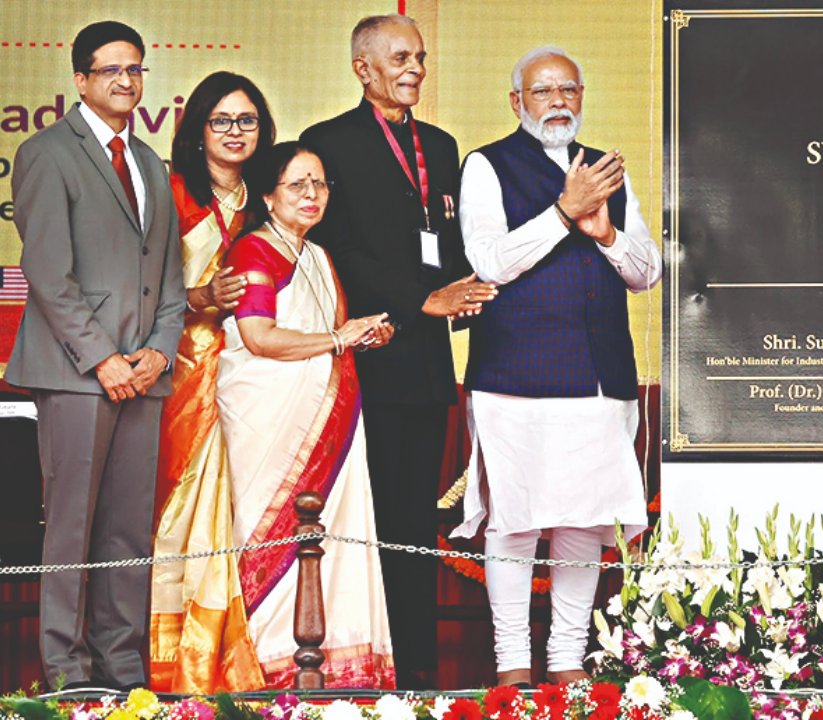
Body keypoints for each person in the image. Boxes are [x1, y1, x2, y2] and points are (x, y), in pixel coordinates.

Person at [453, 46, 662, 687]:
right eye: (543, 91)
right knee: (515, 522)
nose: (558, 102)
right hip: (514, 377)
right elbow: (489, 261)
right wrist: (563, 213)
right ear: (517, 102)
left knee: (584, 520)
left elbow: (647, 272)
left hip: (600, 377)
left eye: (569, 89)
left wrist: (605, 233)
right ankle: (512, 665)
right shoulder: (486, 164)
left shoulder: (605, 170)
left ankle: (568, 659)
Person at [300, 14, 497, 687]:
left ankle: (418, 672)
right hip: (368, 360)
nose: (415, 69)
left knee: (416, 525)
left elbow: (449, 242)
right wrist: (423, 301)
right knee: (370, 522)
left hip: (431, 367)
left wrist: (466, 290)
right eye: (400, 58)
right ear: (363, 68)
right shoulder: (328, 143)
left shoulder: (440, 145)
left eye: (420, 57)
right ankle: (368, 670)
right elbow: (339, 252)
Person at [6, 21, 185, 691]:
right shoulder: (47, 152)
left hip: (143, 375)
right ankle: (67, 674)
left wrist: (158, 353)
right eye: (111, 70)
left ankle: (124, 671)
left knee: (128, 532)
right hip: (77, 375)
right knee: (71, 529)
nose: (125, 81)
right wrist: (102, 359)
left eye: (135, 69)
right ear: (80, 80)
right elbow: (48, 274)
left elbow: (170, 278)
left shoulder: (150, 163)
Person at [218, 141, 395, 689]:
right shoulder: (253, 252)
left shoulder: (318, 256)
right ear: (268, 196)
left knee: (331, 542)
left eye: (319, 184)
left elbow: (331, 336)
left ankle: (333, 673)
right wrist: (338, 339)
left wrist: (363, 336)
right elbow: (258, 338)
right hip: (268, 423)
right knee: (271, 533)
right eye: (297, 184)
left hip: (328, 421)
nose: (311, 194)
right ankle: (267, 670)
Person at [148, 71, 276, 694]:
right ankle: (175, 665)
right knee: (185, 511)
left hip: (256, 373)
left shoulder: (267, 199)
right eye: (221, 120)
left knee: (247, 509)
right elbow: (138, 287)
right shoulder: (171, 192)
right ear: (197, 130)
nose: (234, 131)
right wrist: (200, 296)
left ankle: (248, 652)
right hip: (183, 372)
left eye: (246, 120)